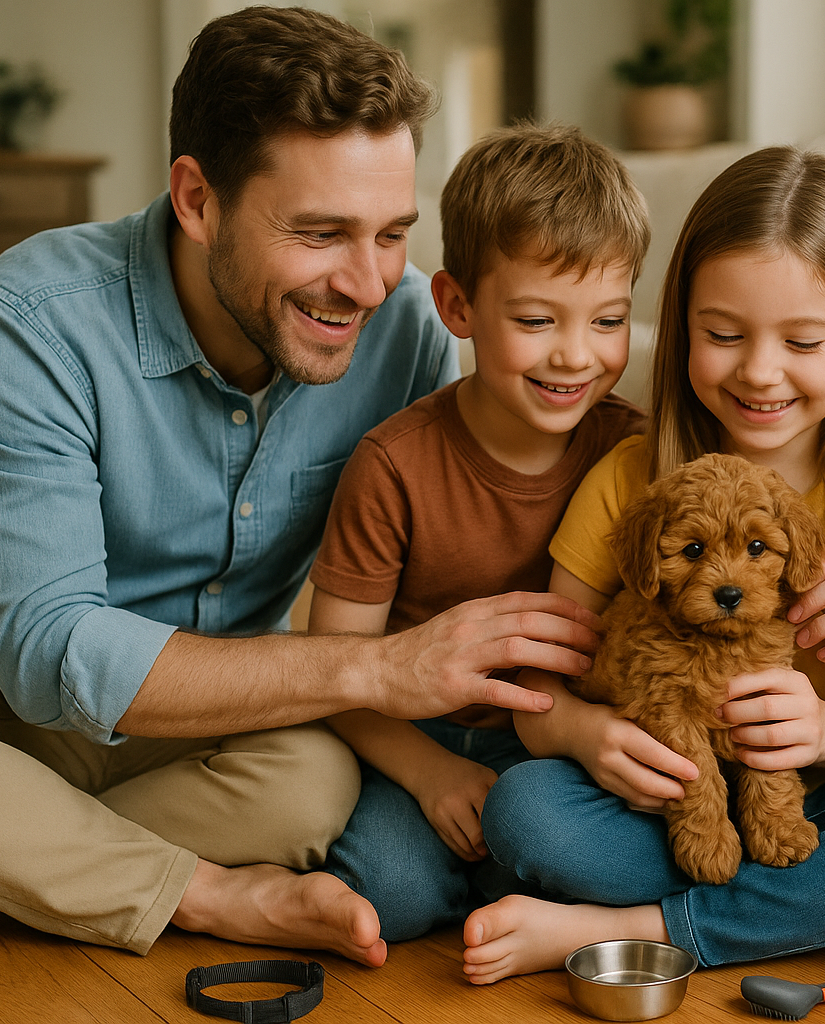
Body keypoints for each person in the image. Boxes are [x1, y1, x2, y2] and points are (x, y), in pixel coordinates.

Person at [0, 8, 596, 967]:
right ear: (196, 198)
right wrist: (372, 669)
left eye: (391, 234)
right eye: (320, 232)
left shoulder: (408, 324)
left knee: (308, 785)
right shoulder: (27, 321)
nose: (371, 284)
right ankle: (194, 889)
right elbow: (50, 656)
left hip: (229, 721)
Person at [458, 146, 825, 983]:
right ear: (681, 323)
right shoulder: (629, 477)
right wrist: (589, 736)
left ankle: (636, 928)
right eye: (723, 334)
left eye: (802, 340)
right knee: (528, 813)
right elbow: (542, 694)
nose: (761, 372)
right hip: (653, 801)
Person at [305, 122, 651, 941]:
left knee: (557, 845)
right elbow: (334, 671)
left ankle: (523, 888)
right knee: (398, 895)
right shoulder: (394, 465)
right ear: (458, 306)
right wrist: (431, 775)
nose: (576, 357)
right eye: (537, 321)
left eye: (607, 322)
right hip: (417, 734)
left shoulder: (638, 453)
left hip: (564, 750)